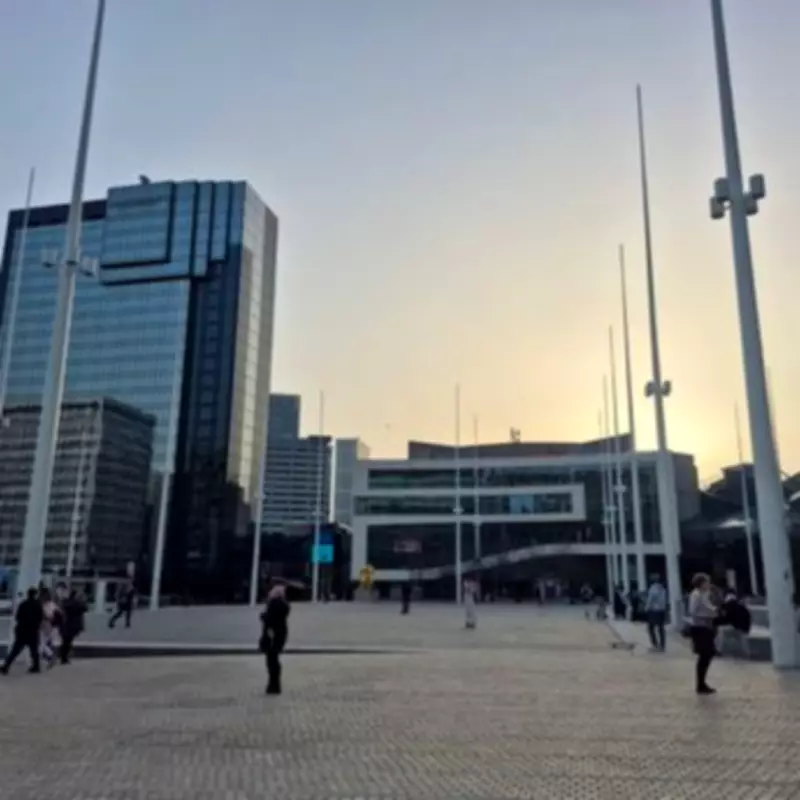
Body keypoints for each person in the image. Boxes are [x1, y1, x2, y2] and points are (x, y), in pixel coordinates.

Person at [688, 573, 719, 695]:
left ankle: (702, 682)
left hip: (706, 627)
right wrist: (706, 617)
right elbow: (693, 611)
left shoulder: (704, 595)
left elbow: (709, 608)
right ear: (700, 583)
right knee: (704, 655)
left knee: (708, 655)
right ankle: (700, 683)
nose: (709, 584)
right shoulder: (696, 595)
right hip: (700, 627)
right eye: (706, 582)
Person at [1, 588, 43, 675]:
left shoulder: (23, 604)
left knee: (15, 650)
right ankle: (36, 666)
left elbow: (18, 617)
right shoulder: (38, 605)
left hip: (22, 630)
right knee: (34, 650)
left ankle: (6, 666)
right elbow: (40, 617)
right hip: (33, 631)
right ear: (35, 594)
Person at [259, 582, 290, 695]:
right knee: (274, 659)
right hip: (279, 635)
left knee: (271, 660)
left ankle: (273, 685)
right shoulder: (283, 604)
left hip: (272, 635)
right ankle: (274, 684)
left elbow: (270, 619)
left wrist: (263, 616)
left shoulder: (274, 603)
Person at [719, 591, 752, 659]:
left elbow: (726, 619)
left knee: (721, 630)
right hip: (744, 628)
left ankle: (719, 650)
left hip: (734, 628)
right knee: (743, 639)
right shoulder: (743, 608)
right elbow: (748, 619)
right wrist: (747, 629)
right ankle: (747, 653)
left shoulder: (728, 607)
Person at [60, 588, 88, 665]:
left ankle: (64, 657)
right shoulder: (76, 605)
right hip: (71, 626)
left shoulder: (67, 603)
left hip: (66, 626)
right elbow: (85, 608)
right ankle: (64, 657)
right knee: (67, 642)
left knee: (66, 642)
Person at [39, 587, 63, 669]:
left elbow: (49, 617)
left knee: (42, 645)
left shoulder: (46, 605)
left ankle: (51, 657)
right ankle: (52, 658)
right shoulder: (53, 604)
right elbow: (60, 614)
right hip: (52, 627)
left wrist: (43, 616)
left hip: (47, 627)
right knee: (52, 643)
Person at [645, 574, 668, 652]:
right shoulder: (662, 588)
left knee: (650, 628)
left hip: (654, 610)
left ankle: (655, 644)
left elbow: (651, 599)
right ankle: (662, 645)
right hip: (662, 610)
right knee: (661, 628)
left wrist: (647, 608)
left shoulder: (652, 588)